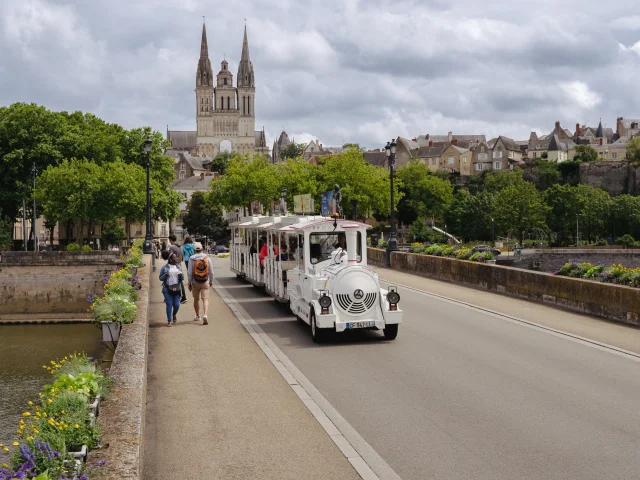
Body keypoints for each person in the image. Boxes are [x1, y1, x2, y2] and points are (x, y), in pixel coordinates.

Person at [188, 242, 214, 325]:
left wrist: (189, 283)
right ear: (202, 249)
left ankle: (198, 315)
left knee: (196, 299)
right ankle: (205, 314)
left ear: (194, 250)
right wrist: (211, 281)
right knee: (205, 299)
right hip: (205, 281)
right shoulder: (207, 258)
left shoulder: (191, 258)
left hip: (195, 282)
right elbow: (211, 271)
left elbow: (189, 272)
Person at [159, 250, 184, 327]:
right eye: (174, 257)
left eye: (176, 257)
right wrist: (165, 276)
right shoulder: (164, 268)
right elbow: (160, 278)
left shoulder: (179, 267)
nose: (176, 258)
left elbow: (182, 278)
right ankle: (169, 321)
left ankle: (174, 314)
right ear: (170, 259)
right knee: (169, 304)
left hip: (177, 288)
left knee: (176, 305)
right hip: (167, 289)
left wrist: (180, 275)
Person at [168, 234, 187, 304]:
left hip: (173, 265)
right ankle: (183, 296)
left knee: (171, 280)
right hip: (179, 265)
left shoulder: (172, 247)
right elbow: (182, 258)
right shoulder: (180, 247)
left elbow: (169, 256)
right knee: (179, 281)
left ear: (170, 240)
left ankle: (179, 296)